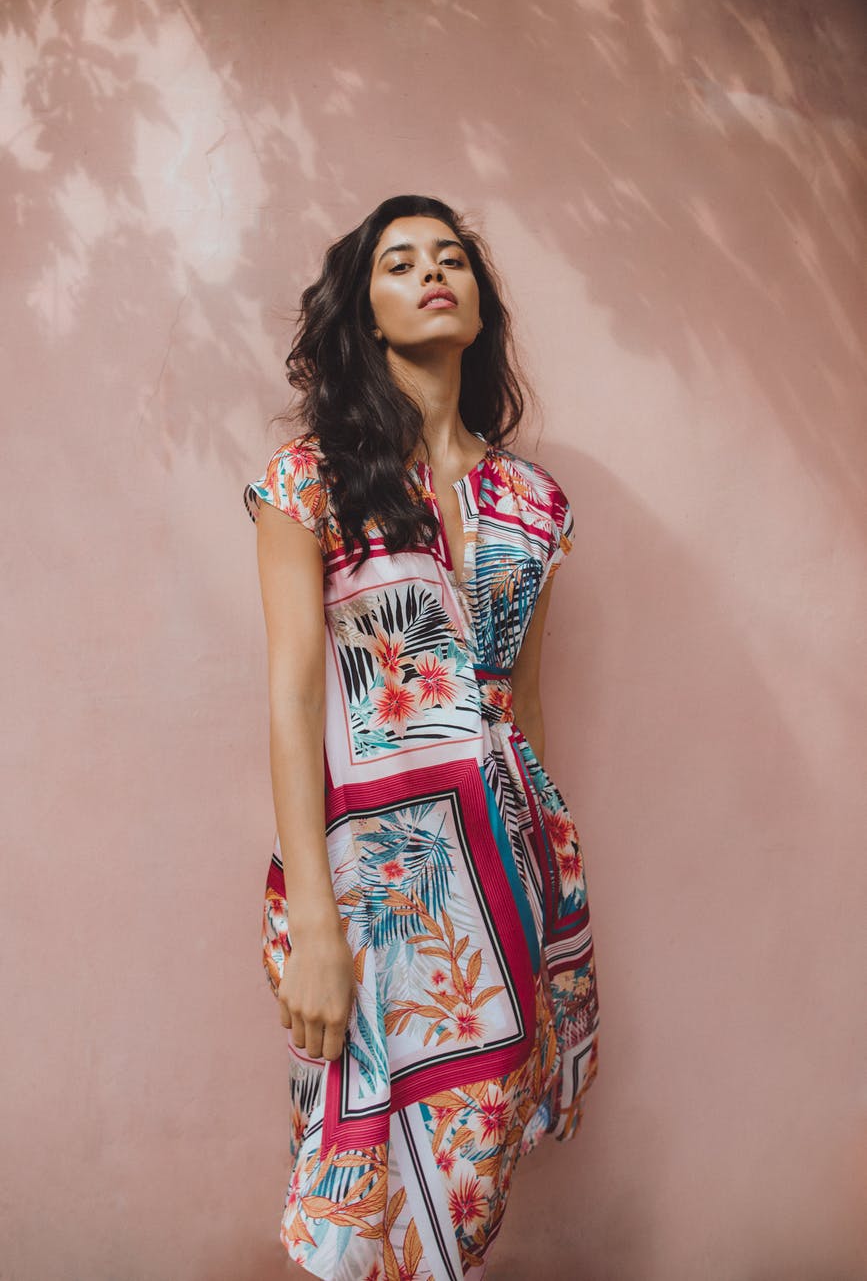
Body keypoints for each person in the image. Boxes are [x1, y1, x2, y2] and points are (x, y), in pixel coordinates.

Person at [243, 194, 600, 1281]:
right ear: (367, 310)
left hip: (503, 874)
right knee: (355, 1168)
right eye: (399, 263)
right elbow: (295, 697)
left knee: (468, 1169)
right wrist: (312, 914)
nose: (431, 271)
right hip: (367, 878)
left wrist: (550, 888)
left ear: (481, 304)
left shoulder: (536, 503)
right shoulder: (310, 481)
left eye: (451, 258)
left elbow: (523, 710)